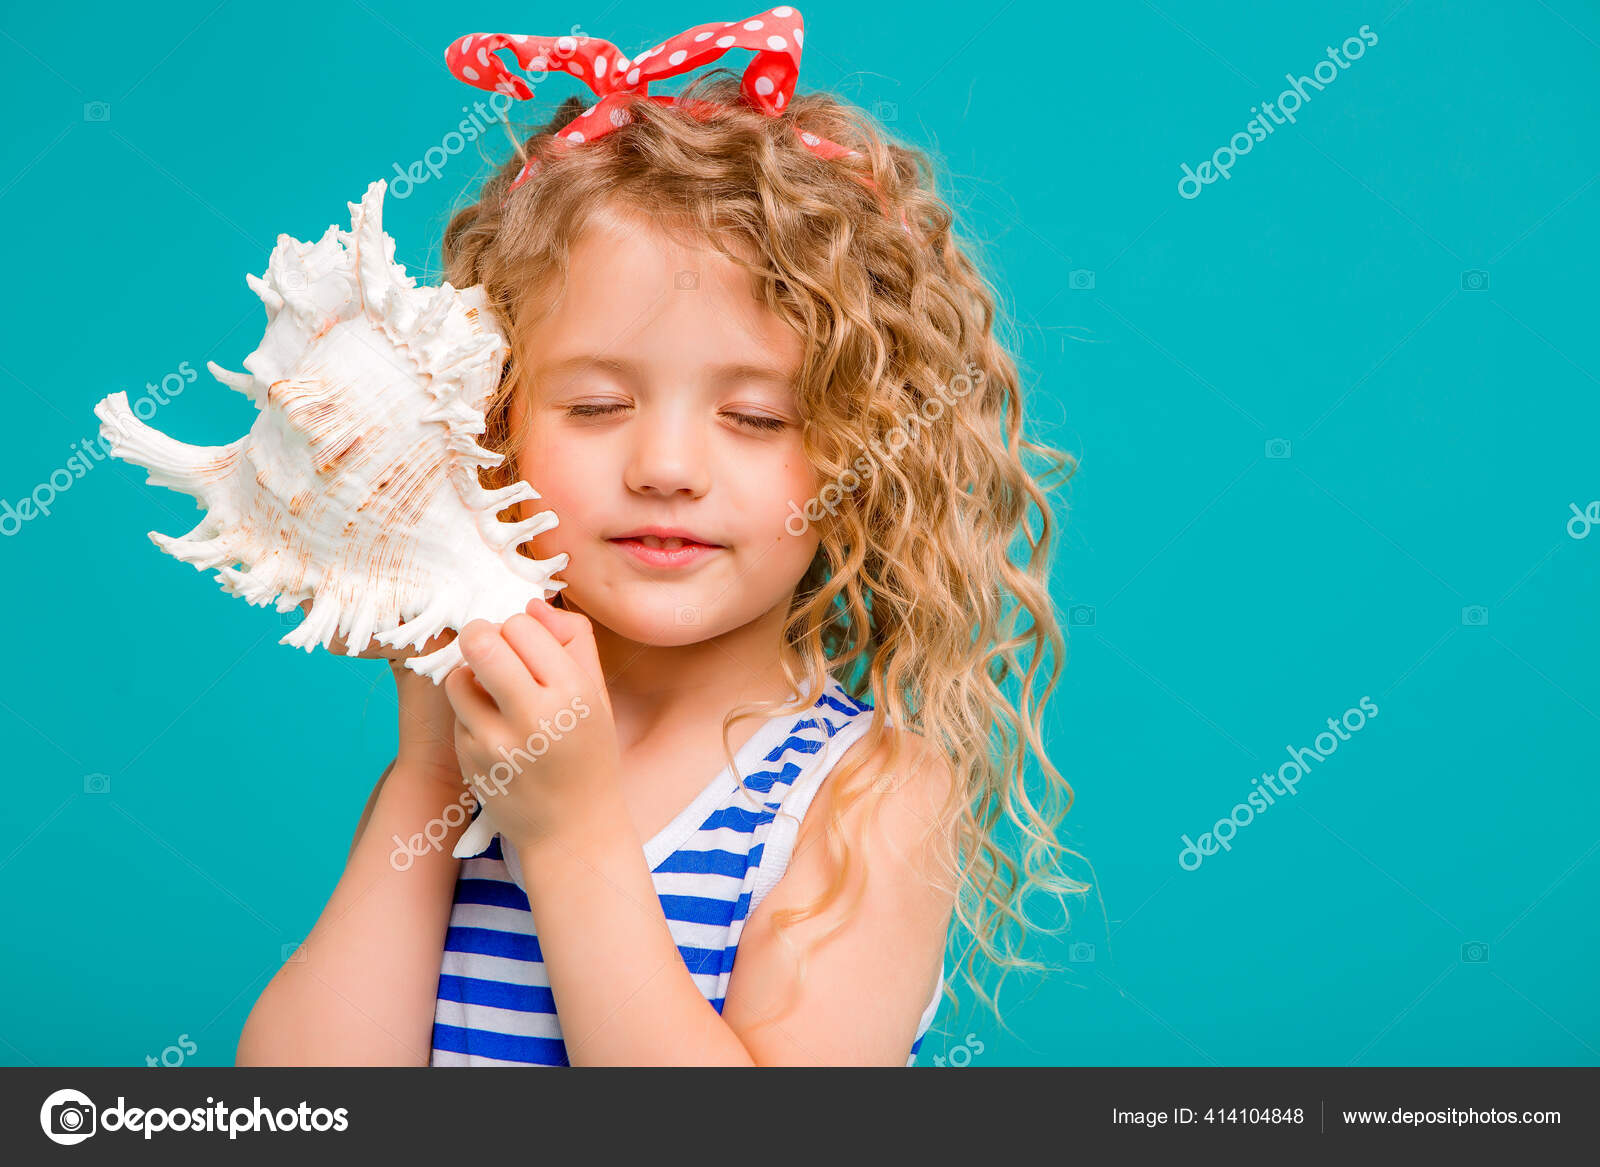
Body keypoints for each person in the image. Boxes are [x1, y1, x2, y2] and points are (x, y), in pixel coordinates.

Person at [237, 5, 1082, 1067]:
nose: (667, 468)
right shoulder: (468, 762)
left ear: (865, 458)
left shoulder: (864, 799)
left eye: (757, 417)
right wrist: (428, 775)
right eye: (594, 407)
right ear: (489, 426)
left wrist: (570, 831)